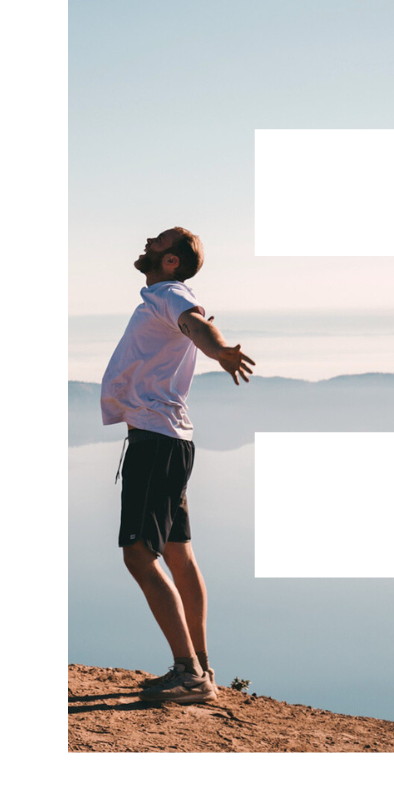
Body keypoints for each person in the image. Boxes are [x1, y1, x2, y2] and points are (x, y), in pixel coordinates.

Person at [100, 227, 255, 705]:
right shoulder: (162, 297)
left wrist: (219, 350)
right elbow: (192, 325)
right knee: (177, 553)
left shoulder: (171, 294)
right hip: (167, 439)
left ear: (171, 261)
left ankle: (189, 675)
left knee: (137, 554)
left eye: (158, 241)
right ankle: (200, 666)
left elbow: (197, 324)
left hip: (155, 441)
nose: (148, 242)